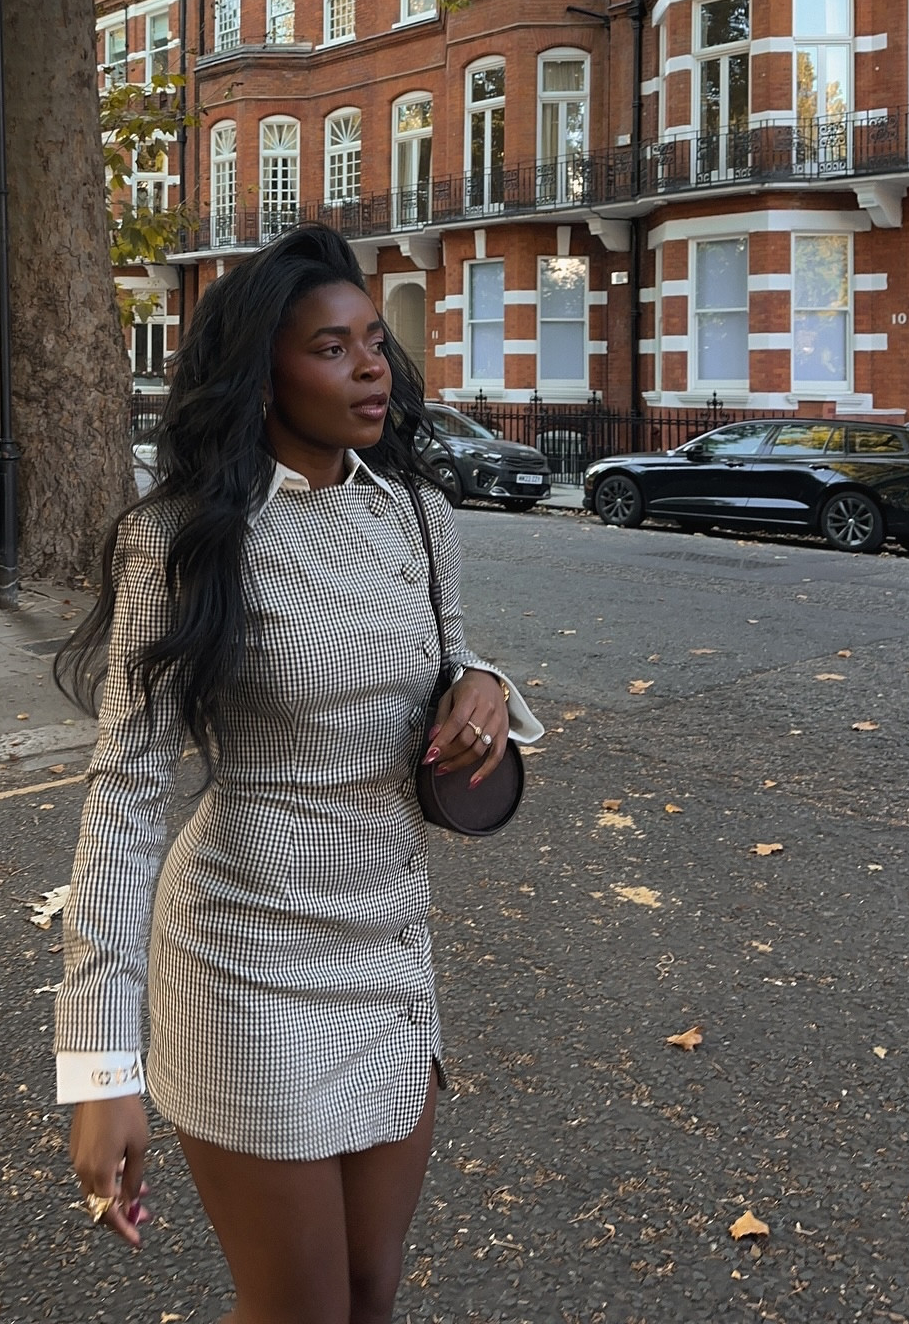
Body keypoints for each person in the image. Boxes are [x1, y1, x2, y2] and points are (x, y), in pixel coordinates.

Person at [53, 224, 541, 1324]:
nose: (373, 366)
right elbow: (126, 796)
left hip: (388, 945)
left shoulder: (418, 517)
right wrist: (98, 1067)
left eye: (374, 341)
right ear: (260, 378)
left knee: (372, 1291)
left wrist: (487, 687)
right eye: (333, 348)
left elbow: (446, 659)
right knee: (300, 1308)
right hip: (245, 956)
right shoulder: (183, 542)